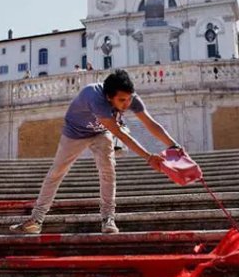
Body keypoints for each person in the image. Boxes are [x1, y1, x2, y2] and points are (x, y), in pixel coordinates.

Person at [10, 69, 182, 235]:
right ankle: (36, 220)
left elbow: (150, 123)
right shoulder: (94, 96)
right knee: (56, 172)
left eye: (129, 99)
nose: (127, 104)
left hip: (101, 132)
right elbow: (119, 133)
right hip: (75, 132)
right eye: (122, 100)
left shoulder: (129, 98)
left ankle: (108, 219)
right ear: (109, 97)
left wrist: (173, 145)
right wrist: (148, 157)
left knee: (108, 171)